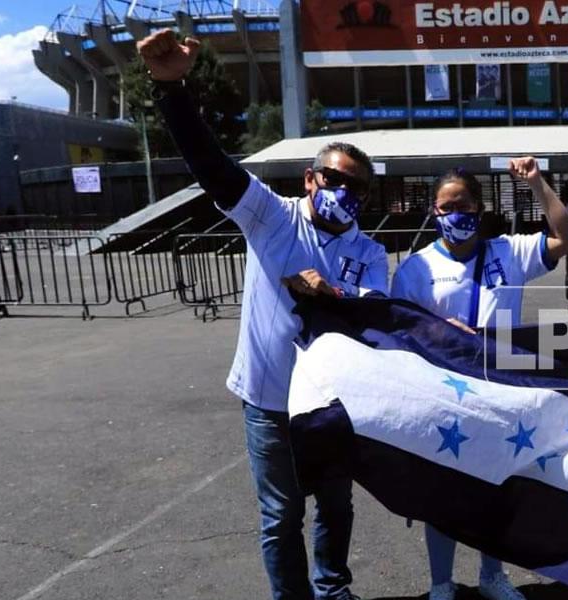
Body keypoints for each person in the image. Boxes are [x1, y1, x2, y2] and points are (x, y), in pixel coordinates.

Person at [137, 29, 388, 600]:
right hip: (269, 401)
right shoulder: (270, 216)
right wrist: (172, 88)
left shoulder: (370, 253)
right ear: (310, 179)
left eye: (357, 188)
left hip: (330, 406)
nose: (344, 192)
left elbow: (374, 316)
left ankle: (332, 588)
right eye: (334, 180)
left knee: (335, 507)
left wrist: (328, 295)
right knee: (280, 517)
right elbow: (211, 164)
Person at [390, 159, 568, 600]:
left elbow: (567, 238)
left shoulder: (508, 252)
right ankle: (441, 582)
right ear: (433, 212)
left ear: (479, 208)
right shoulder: (414, 269)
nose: (456, 214)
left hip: (498, 391)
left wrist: (535, 182)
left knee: (495, 486)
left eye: (464, 204)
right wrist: (440, 332)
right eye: (446, 206)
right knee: (443, 493)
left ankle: (493, 575)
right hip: (442, 395)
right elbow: (398, 333)